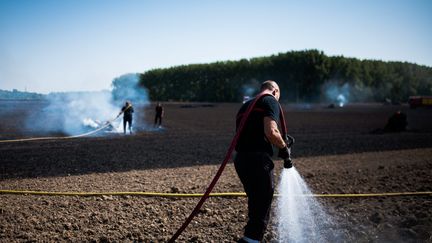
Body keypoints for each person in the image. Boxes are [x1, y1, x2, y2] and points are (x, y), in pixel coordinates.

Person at [234, 80, 292, 243]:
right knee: (262, 205)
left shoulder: (246, 105)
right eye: (279, 96)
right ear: (275, 91)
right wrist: (284, 147)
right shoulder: (270, 100)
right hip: (258, 160)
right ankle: (251, 240)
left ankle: (249, 238)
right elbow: (271, 131)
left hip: (241, 160)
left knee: (256, 203)